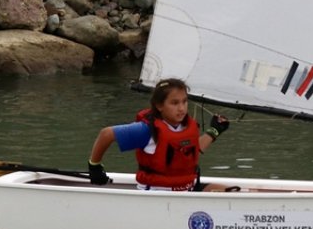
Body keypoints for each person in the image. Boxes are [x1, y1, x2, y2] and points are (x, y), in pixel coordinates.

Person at [87, 78, 229, 191]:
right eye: (174, 103)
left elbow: (191, 149)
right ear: (159, 106)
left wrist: (214, 131)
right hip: (156, 196)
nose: (181, 108)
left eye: (184, 102)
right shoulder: (146, 130)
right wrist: (95, 166)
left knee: (233, 192)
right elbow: (106, 134)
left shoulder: (186, 126)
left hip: (187, 190)